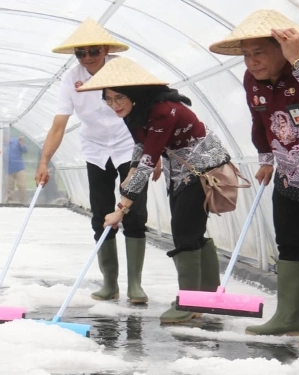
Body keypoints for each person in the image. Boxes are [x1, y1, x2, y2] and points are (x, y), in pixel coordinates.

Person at [77, 56, 230, 324]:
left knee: (184, 228)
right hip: (181, 168)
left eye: (119, 98)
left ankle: (190, 301)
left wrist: (121, 209)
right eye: (108, 99)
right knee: (189, 228)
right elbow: (141, 145)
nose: (114, 105)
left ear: (133, 94)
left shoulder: (163, 110)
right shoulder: (135, 111)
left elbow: (150, 159)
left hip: (203, 168)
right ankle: (204, 296)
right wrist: (133, 168)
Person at [209, 9, 299, 349]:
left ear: (283, 46)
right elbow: (259, 119)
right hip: (290, 170)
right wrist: (265, 158)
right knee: (289, 240)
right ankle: (291, 317)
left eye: (258, 52)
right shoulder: (253, 80)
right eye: (246, 54)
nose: (251, 62)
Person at [35, 17, 153, 304]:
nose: (87, 58)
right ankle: (109, 283)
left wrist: (152, 153)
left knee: (134, 212)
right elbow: (59, 124)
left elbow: (149, 113)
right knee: (101, 214)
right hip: (95, 150)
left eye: (93, 51)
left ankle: (134, 284)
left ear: (105, 50)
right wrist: (44, 161)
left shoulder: (123, 70)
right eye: (81, 53)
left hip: (129, 146)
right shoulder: (70, 78)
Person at [7, 135, 28, 203]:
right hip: (8, 170)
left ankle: (23, 202)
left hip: (19, 168)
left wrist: (21, 144)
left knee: (22, 186)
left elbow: (25, 150)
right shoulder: (1, 144)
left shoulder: (17, 141)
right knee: (9, 188)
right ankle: (9, 202)